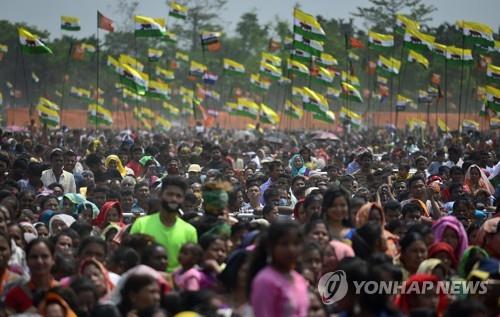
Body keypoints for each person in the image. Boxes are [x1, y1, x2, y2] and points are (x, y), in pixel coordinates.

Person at [131, 176, 197, 272]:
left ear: (183, 199)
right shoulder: (141, 224)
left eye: (178, 196)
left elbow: (190, 267)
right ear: (160, 195)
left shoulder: (190, 231)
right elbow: (133, 259)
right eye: (169, 194)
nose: (173, 199)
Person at [248, 220, 309, 317]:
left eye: (296, 244)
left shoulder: (299, 278)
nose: (291, 249)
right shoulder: (265, 281)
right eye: (284, 244)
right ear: (271, 246)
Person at [5, 238, 58, 314]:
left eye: (44, 256)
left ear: (53, 259)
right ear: (26, 260)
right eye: (34, 257)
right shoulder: (15, 295)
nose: (39, 261)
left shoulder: (63, 291)